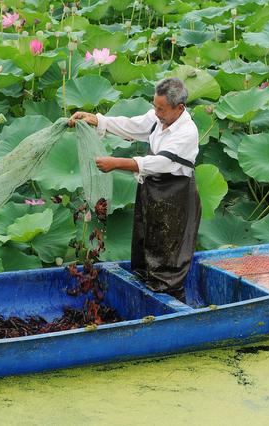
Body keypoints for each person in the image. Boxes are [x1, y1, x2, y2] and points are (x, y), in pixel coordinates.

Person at [68, 77, 201, 301]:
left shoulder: (187, 132)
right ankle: (144, 291)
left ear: (180, 108)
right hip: (151, 190)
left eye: (161, 109)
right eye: (154, 106)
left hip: (176, 196)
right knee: (145, 242)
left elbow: (162, 163)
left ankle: (172, 304)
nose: (156, 112)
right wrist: (97, 120)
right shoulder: (159, 117)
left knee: (169, 257)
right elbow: (133, 125)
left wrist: (117, 163)